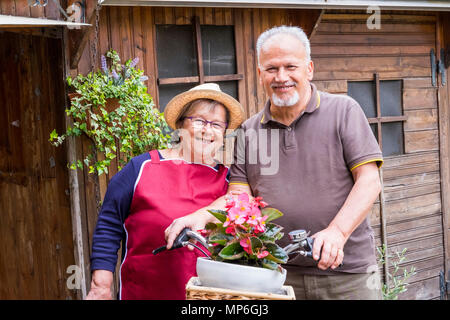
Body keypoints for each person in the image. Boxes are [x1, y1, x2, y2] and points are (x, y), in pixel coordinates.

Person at [165, 26, 384, 300]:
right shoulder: (249, 131)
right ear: (260, 75)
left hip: (347, 274)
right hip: (275, 275)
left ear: (309, 69)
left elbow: (369, 180)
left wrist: (337, 232)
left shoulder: (343, 111)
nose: (281, 77)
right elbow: (239, 198)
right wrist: (198, 217)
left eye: (290, 66)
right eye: (271, 69)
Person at [85, 83, 244, 300]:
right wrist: (100, 285)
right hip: (142, 293)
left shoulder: (229, 181)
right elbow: (109, 224)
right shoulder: (141, 168)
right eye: (199, 121)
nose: (207, 130)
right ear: (180, 125)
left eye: (216, 124)